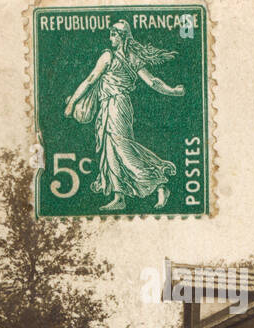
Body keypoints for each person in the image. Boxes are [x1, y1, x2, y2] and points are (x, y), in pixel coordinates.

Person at [62, 20, 185, 211]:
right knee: (110, 149)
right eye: (110, 34)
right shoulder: (127, 57)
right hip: (108, 106)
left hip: (117, 106)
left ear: (122, 37)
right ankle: (119, 197)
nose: (110, 38)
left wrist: (71, 103)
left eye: (113, 34)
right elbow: (152, 82)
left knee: (122, 147)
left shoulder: (109, 56)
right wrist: (173, 91)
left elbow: (90, 80)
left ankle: (159, 183)